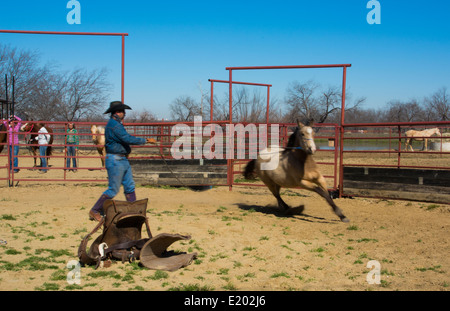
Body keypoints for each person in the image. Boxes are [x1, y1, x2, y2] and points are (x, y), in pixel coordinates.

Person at [88, 101, 154, 221]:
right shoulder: (115, 125)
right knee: (113, 188)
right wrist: (145, 140)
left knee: (129, 185)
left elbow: (124, 139)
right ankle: (95, 210)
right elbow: (126, 138)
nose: (124, 113)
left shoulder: (115, 124)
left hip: (120, 159)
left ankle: (133, 211)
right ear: (118, 112)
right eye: (123, 111)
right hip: (116, 159)